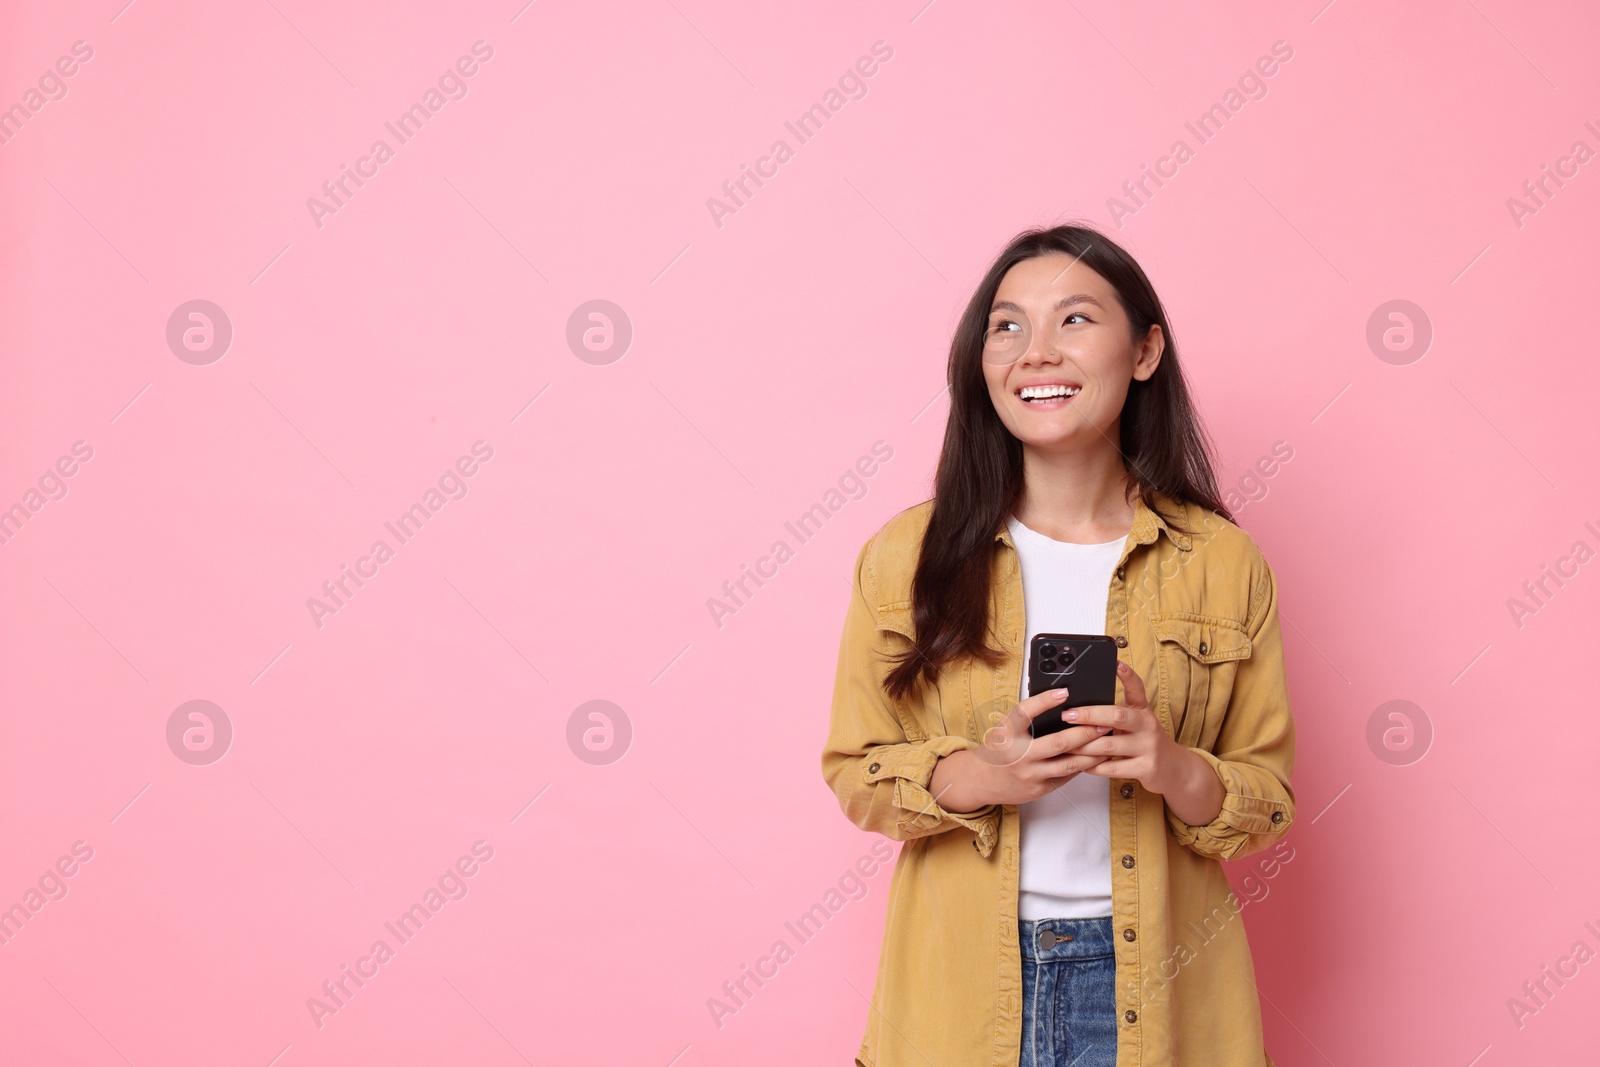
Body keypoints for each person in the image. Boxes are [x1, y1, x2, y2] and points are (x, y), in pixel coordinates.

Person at [821, 222, 1296, 1066]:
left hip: (1162, 992)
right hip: (958, 996)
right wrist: (984, 773)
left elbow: (1266, 797)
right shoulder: (906, 558)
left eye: (1074, 320)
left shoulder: (1221, 562)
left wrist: (1166, 760)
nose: (1035, 352)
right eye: (1007, 326)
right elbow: (856, 770)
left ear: (1145, 350)